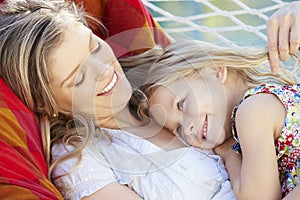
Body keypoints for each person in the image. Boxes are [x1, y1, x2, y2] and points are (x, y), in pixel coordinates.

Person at [0, 0, 298, 199]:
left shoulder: (161, 74)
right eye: (78, 78)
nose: (104, 70)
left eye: (94, 48)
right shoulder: (80, 160)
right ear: (44, 103)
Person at [135, 38, 300, 199]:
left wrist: (229, 154)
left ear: (216, 71)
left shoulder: (252, 111)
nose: (186, 129)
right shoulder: (264, 102)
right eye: (178, 129)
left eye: (181, 104)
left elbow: (260, 197)